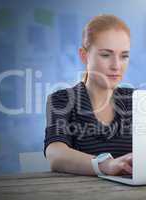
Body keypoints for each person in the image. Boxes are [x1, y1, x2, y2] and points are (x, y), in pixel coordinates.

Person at [44, 14, 134, 176]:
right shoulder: (62, 100)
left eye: (124, 56)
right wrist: (106, 165)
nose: (116, 66)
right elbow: (55, 154)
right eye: (106, 55)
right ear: (84, 56)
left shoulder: (136, 100)